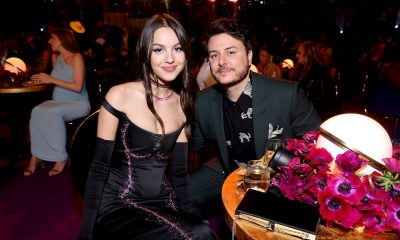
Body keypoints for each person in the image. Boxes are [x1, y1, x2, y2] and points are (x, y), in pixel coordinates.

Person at [78, 14, 217, 240]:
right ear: (145, 53)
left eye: (178, 49)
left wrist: (193, 214)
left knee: (203, 230)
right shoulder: (119, 95)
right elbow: (98, 169)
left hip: (163, 199)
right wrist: (85, 232)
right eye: (159, 50)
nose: (170, 58)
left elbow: (180, 174)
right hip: (119, 203)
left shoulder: (183, 105)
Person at [188, 18, 321, 219]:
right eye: (214, 55)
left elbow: (318, 149)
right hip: (229, 171)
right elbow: (195, 145)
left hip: (277, 179)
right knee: (180, 195)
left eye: (231, 52)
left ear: (249, 56)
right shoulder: (203, 101)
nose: (221, 61)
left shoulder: (287, 95)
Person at [24, 28, 91, 176]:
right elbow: (58, 81)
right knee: (36, 110)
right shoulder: (56, 57)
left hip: (77, 103)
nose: (49, 41)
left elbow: (77, 87)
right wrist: (42, 82)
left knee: (51, 112)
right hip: (57, 102)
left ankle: (61, 158)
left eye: (52, 38)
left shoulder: (76, 58)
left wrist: (51, 79)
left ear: (62, 40)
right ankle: (36, 157)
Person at [288, 40, 336, 120]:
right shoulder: (300, 70)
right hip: (304, 114)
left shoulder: (321, 72)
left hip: (316, 117)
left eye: (299, 53)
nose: (296, 56)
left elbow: (323, 100)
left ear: (308, 55)